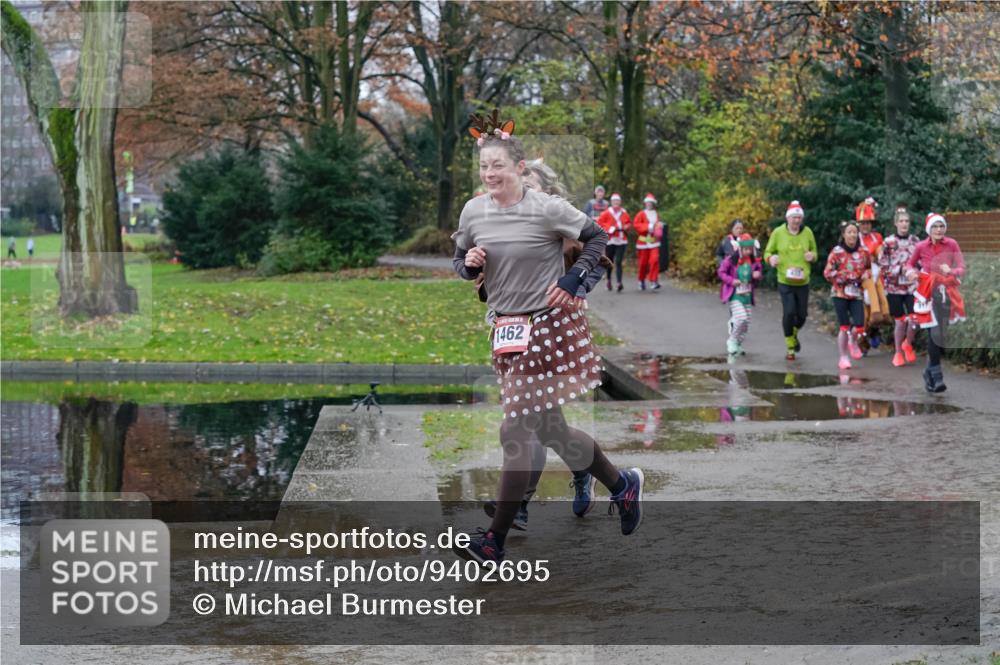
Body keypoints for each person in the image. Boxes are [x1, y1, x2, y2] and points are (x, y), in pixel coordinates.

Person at [452, 111, 644, 563]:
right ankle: (622, 485)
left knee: (515, 429)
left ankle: (494, 540)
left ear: (519, 168)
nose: (489, 174)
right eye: (484, 167)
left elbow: (601, 242)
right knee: (551, 429)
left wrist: (575, 280)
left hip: (548, 328)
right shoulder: (474, 210)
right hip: (506, 330)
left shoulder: (548, 209)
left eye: (498, 165)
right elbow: (460, 261)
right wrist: (471, 265)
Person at [479, 158, 611, 530]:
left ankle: (516, 506)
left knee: (526, 422)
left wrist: (575, 285)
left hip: (552, 337)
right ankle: (596, 475)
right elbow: (487, 285)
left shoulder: (562, 229)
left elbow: (599, 259)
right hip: (512, 337)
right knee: (551, 427)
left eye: (531, 187)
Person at [906, 213, 966, 393]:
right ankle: (937, 376)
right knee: (934, 332)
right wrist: (911, 272)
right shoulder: (921, 246)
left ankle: (928, 372)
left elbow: (962, 267)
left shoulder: (952, 244)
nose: (939, 229)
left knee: (941, 334)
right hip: (927, 292)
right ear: (929, 230)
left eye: (941, 226)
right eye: (935, 227)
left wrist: (952, 270)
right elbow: (909, 264)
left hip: (946, 292)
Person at [763, 201, 818, 360]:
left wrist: (812, 256)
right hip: (785, 280)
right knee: (789, 312)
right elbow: (768, 251)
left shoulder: (807, 232)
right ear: (788, 218)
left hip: (802, 282)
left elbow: (815, 252)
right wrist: (770, 259)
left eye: (799, 218)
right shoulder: (778, 233)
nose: (796, 221)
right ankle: (790, 347)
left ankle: (793, 335)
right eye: (793, 218)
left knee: (801, 316)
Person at [824, 221, 872, 370]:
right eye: (849, 232)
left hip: (856, 293)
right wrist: (842, 276)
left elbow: (869, 269)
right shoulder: (836, 252)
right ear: (843, 235)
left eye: (854, 232)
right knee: (844, 326)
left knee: (859, 325)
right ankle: (843, 357)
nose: (852, 234)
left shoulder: (864, 251)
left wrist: (865, 274)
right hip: (839, 293)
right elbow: (827, 273)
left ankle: (853, 340)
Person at [878, 206, 920, 367]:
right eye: (901, 221)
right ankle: (897, 352)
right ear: (896, 223)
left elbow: (921, 262)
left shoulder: (915, 241)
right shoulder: (888, 242)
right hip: (894, 287)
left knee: (915, 319)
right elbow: (882, 265)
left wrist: (916, 272)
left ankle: (907, 343)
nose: (904, 224)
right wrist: (899, 270)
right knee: (900, 321)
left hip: (911, 287)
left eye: (907, 221)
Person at [717, 233, 763, 356]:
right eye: (746, 249)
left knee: (746, 323)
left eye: (750, 249)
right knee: (741, 318)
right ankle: (731, 340)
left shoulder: (754, 261)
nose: (748, 252)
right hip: (734, 295)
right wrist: (732, 281)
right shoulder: (731, 260)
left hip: (747, 295)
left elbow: (758, 272)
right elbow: (721, 272)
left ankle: (738, 343)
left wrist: (757, 275)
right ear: (740, 249)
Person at [596, 193, 630, 292]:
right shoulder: (606, 213)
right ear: (611, 202)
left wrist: (627, 226)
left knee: (618, 262)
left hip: (621, 239)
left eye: (617, 201)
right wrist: (610, 228)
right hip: (610, 240)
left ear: (620, 202)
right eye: (614, 201)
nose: (616, 202)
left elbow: (628, 223)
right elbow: (599, 224)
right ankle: (609, 280)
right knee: (610, 261)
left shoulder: (624, 212)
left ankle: (619, 283)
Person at [632, 193, 664, 291]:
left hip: (654, 243)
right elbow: (636, 225)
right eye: (647, 203)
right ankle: (641, 280)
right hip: (643, 243)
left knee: (654, 260)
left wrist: (659, 226)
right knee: (643, 264)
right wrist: (649, 226)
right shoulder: (641, 214)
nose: (649, 204)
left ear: (653, 204)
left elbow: (658, 225)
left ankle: (654, 280)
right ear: (645, 203)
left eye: (651, 203)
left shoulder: (656, 214)